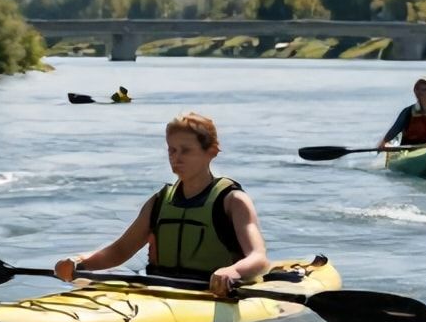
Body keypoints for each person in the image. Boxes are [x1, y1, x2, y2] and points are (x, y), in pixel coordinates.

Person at [54, 113, 268, 298]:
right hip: (160, 289)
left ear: (211, 151)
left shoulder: (233, 201)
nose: (176, 158)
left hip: (214, 293)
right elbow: (120, 250)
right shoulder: (159, 201)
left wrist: (232, 272)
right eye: (172, 150)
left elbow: (258, 259)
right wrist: (79, 262)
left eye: (186, 150)